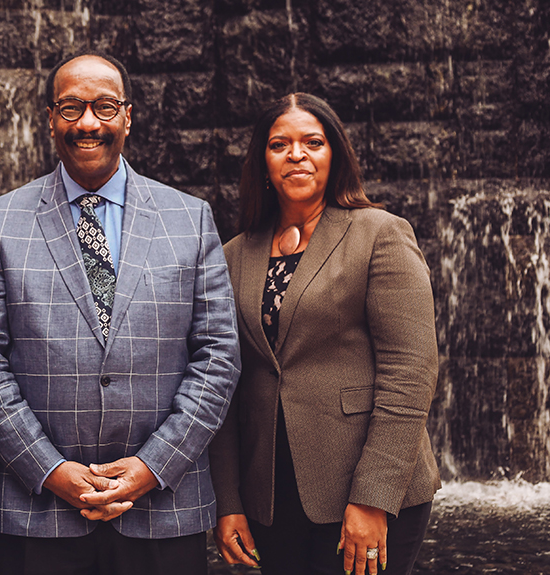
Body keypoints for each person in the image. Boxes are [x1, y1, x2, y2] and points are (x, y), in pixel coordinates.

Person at [0, 51, 241, 575]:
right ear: (49, 119)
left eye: (105, 107)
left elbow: (218, 357)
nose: (88, 123)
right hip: (35, 510)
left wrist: (154, 466)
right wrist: (51, 469)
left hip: (161, 508)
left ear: (128, 116)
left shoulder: (191, 218)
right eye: (71, 108)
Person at [209, 92, 440, 575]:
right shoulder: (233, 254)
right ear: (263, 161)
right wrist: (228, 499)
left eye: (312, 142)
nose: (297, 154)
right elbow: (224, 384)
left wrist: (373, 497)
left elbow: (410, 373)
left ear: (334, 154)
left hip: (367, 487)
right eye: (280, 144)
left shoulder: (380, 233)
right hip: (270, 497)